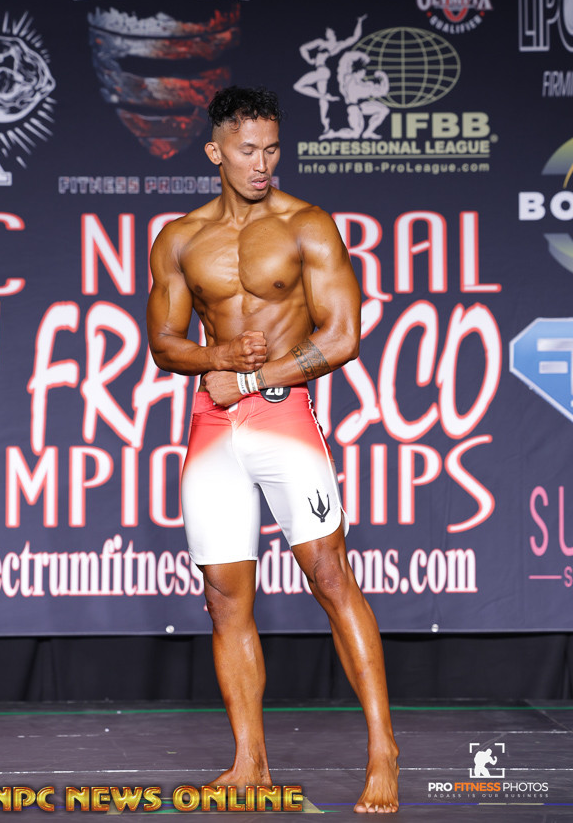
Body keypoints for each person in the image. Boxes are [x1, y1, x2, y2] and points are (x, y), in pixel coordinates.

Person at [147, 86, 399, 814]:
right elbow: (164, 344)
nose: (262, 163)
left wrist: (252, 375)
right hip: (212, 426)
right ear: (215, 151)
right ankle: (248, 762)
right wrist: (217, 355)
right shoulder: (180, 239)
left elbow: (342, 337)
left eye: (272, 149)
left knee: (329, 574)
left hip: (284, 416)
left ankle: (382, 749)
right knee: (224, 598)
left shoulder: (305, 224)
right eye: (248, 150)